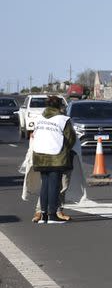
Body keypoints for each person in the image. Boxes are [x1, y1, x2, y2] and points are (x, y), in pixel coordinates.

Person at [31, 96, 76, 224]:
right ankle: (52, 215)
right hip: (56, 157)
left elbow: (35, 134)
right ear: (59, 106)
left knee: (45, 185)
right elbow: (71, 139)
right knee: (54, 186)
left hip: (39, 155)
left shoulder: (39, 118)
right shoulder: (63, 119)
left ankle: (43, 214)